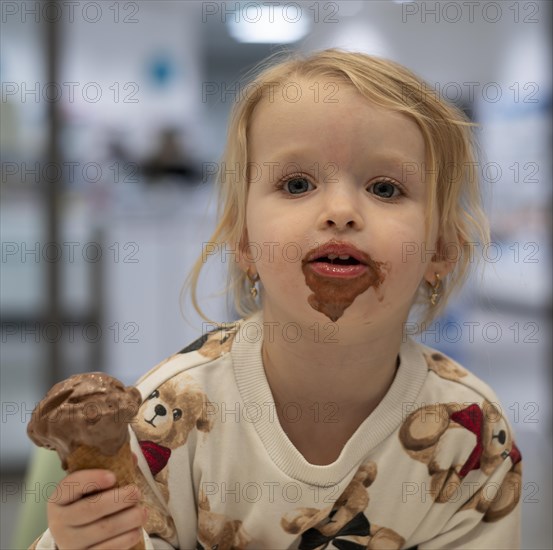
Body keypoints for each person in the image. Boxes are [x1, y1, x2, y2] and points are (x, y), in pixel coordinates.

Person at [32, 49, 522, 550]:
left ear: (440, 249)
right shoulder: (172, 415)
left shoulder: (471, 436)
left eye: (385, 187)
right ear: (243, 240)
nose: (340, 211)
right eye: (297, 183)